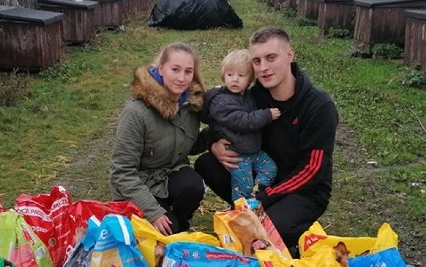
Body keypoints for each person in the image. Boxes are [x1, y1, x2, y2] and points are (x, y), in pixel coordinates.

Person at [195, 26, 339, 252]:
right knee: (207, 164)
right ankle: (246, 211)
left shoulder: (319, 107)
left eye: (271, 58)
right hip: (261, 175)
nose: (263, 68)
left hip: (303, 189)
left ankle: (286, 227)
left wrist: (266, 196)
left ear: (290, 55)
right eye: (257, 61)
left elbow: (312, 170)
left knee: (267, 231)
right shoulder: (254, 96)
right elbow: (230, 121)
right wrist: (214, 144)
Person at [110, 42, 206, 235]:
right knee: (166, 231)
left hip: (168, 175)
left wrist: (215, 139)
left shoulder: (191, 106)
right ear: (161, 68)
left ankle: (178, 224)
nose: (181, 78)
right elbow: (121, 172)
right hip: (138, 185)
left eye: (188, 71)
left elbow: (185, 145)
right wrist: (153, 212)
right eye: (175, 69)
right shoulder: (136, 112)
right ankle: (166, 224)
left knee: (193, 186)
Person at [203, 49, 280, 201]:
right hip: (237, 155)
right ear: (223, 75)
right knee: (242, 186)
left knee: (270, 168)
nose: (235, 80)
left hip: (253, 151)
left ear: (250, 79)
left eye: (241, 75)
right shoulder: (221, 101)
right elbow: (243, 121)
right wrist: (267, 115)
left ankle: (256, 195)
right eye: (230, 75)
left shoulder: (247, 95)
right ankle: (240, 211)